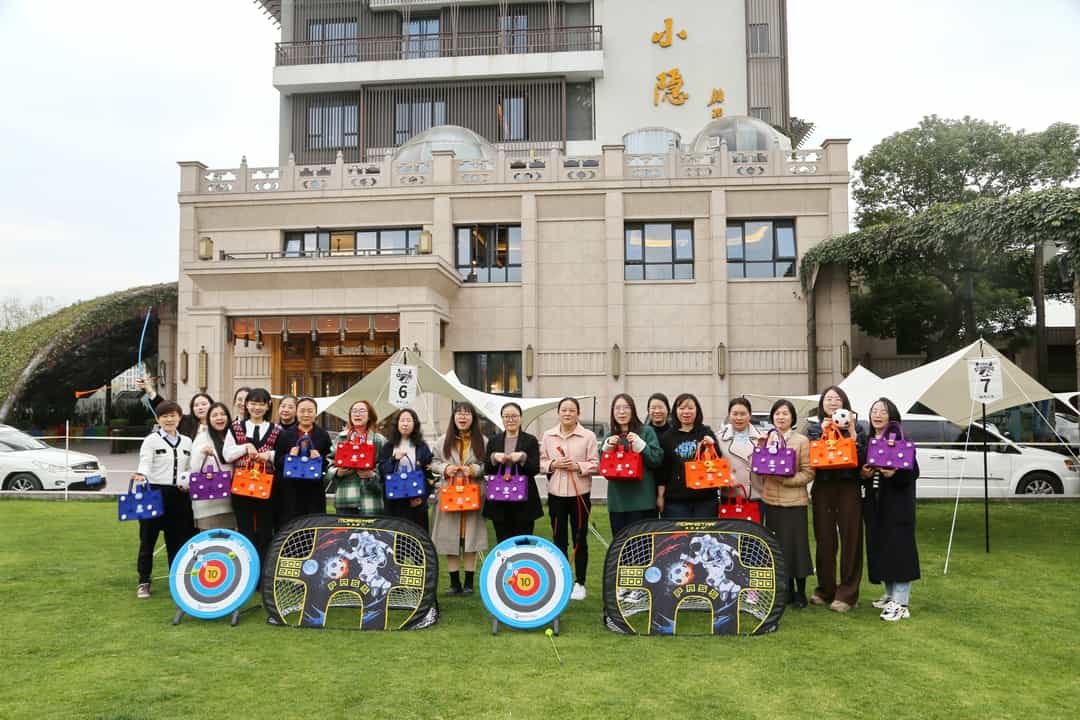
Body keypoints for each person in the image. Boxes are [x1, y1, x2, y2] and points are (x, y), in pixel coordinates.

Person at [805, 385, 868, 613]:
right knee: (825, 539)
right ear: (822, 404)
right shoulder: (814, 429)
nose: (832, 402)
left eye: (837, 399)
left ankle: (847, 594)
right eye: (828, 399)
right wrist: (825, 431)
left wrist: (851, 433)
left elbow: (863, 459)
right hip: (823, 487)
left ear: (845, 404)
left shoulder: (858, 428)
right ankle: (826, 589)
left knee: (851, 538)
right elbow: (812, 458)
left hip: (849, 486)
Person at [860, 397, 921, 622]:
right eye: (874, 411)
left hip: (898, 507)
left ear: (892, 416)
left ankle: (901, 603)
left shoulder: (902, 441)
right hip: (875, 506)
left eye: (883, 412)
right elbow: (862, 472)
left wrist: (894, 474)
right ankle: (889, 595)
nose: (877, 415)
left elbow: (913, 473)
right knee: (881, 549)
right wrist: (864, 474)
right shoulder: (869, 441)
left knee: (899, 552)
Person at [131, 401, 196, 599]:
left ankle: (176, 580)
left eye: (173, 415)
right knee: (148, 539)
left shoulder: (187, 441)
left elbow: (189, 467)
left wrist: (187, 482)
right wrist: (141, 475)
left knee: (177, 540)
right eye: (165, 416)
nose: (169, 420)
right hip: (154, 493)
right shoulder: (151, 441)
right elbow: (145, 462)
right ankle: (144, 581)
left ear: (179, 418)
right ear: (157, 419)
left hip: (179, 495)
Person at [539, 397, 599, 601]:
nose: (567, 413)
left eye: (571, 410)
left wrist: (578, 466)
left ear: (578, 413)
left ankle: (580, 582)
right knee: (559, 538)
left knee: (579, 539)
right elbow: (541, 462)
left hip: (579, 495)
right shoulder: (548, 435)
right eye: (564, 410)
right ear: (558, 413)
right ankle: (561, 579)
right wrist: (553, 464)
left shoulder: (588, 436)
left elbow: (595, 464)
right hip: (556, 495)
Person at [759, 399, 814, 608]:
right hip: (771, 501)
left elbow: (808, 472)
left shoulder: (801, 441)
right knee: (778, 547)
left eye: (785, 413)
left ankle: (801, 592)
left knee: (798, 547)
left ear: (792, 417)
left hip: (795, 502)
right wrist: (760, 448)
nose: (781, 417)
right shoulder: (767, 439)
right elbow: (758, 466)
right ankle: (786, 590)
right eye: (777, 413)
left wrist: (786, 480)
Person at [430, 403, 488, 595]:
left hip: (473, 493)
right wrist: (445, 468)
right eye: (459, 414)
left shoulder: (483, 441)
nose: (463, 417)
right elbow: (433, 463)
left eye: (467, 414)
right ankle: (454, 583)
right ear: (453, 417)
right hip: (449, 494)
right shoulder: (442, 441)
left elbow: (488, 464)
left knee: (471, 537)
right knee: (450, 537)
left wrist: (474, 470)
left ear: (473, 418)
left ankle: (469, 583)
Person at [223, 388, 279, 560]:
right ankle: (247, 566)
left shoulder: (276, 429)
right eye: (253, 403)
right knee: (244, 527)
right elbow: (227, 454)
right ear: (246, 405)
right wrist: (245, 447)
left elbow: (281, 455)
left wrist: (269, 455)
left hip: (266, 486)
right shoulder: (236, 427)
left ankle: (264, 567)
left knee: (265, 528)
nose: (257, 408)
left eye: (261, 404)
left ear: (268, 406)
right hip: (241, 486)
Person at [599, 393, 663, 537]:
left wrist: (641, 445)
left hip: (643, 502)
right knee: (622, 545)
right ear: (612, 412)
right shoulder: (610, 436)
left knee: (644, 546)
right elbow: (601, 465)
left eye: (626, 407)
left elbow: (656, 460)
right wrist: (608, 447)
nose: (621, 412)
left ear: (633, 410)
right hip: (618, 503)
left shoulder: (646, 432)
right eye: (617, 408)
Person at [483, 402, 543, 543]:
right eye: (506, 416)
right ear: (502, 419)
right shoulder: (494, 441)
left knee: (522, 543)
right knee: (503, 542)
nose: (510, 420)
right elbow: (487, 469)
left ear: (520, 418)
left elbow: (535, 469)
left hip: (524, 502)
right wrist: (494, 458)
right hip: (499, 501)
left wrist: (523, 458)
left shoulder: (530, 440)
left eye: (514, 416)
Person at [657, 393, 720, 519]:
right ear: (675, 411)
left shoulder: (706, 432)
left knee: (704, 532)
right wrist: (660, 496)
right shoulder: (667, 437)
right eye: (682, 408)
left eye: (690, 408)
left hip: (705, 500)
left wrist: (711, 446)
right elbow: (663, 471)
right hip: (675, 502)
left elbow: (717, 460)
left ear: (697, 411)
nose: (686, 412)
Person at [274, 397, 332, 525]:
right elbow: (277, 460)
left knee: (313, 525)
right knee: (290, 525)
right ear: (296, 412)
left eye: (310, 411)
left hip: (314, 490)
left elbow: (329, 461)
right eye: (302, 411)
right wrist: (289, 457)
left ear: (316, 413)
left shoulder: (323, 435)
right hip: (290, 490)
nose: (306, 414)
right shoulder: (285, 434)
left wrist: (319, 459)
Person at [377, 408, 434, 533]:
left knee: (416, 536)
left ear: (415, 424)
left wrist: (422, 497)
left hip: (415, 500)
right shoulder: (388, 446)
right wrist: (393, 459)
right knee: (395, 536)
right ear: (396, 424)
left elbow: (430, 474)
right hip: (394, 501)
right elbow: (382, 471)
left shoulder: (422, 446)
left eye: (409, 420)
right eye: (402, 420)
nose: (405, 424)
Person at [328, 400, 386, 516]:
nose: (357, 414)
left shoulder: (379, 440)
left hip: (370, 501)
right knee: (345, 528)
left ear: (369, 416)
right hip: (346, 499)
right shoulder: (341, 438)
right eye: (354, 411)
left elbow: (386, 468)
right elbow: (329, 462)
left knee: (370, 529)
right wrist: (338, 472)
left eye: (362, 411)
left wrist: (372, 475)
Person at [189, 402, 238, 531]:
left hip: (232, 501)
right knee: (210, 541)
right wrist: (202, 453)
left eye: (223, 414)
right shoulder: (202, 437)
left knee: (231, 541)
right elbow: (194, 468)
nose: (219, 418)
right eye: (214, 415)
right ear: (208, 419)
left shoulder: (233, 436)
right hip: (209, 503)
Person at [718, 396, 764, 500]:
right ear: (729, 415)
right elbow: (714, 467)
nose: (739, 418)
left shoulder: (762, 438)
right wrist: (726, 478)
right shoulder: (719, 438)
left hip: (756, 496)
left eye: (743, 414)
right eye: (735, 414)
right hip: (730, 498)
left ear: (750, 415)